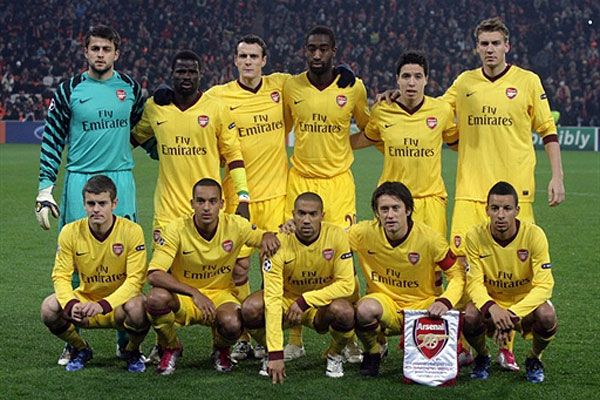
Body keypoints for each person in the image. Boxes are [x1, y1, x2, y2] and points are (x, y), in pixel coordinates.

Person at [442, 16, 565, 370]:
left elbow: (548, 130)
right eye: (484, 44)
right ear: (476, 48)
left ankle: (506, 346)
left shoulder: (527, 81)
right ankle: (464, 345)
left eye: (496, 43)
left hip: (516, 196)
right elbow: (434, 113)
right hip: (471, 192)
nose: (490, 49)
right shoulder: (464, 83)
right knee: (463, 269)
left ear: (507, 46)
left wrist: (557, 176)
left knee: (514, 271)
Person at [34, 24, 145, 365]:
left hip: (120, 179)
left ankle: (125, 340)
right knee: (74, 261)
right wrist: (45, 186)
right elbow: (53, 137)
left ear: (116, 53)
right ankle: (74, 342)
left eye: (106, 49)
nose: (100, 54)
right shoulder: (69, 89)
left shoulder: (131, 88)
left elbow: (145, 130)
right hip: (80, 180)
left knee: (124, 260)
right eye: (94, 48)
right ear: (85, 52)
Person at [282, 25, 369, 361]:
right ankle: (295, 339)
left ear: (334, 51)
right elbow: (281, 129)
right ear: (305, 51)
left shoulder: (353, 87)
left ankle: (348, 338)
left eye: (323, 49)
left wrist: (341, 146)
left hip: (338, 184)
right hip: (300, 180)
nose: (317, 54)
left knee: (344, 257)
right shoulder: (291, 86)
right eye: (311, 49)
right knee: (293, 255)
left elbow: (370, 130)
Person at [203, 35, 289, 360]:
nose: (248, 61)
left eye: (254, 56)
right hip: (238, 200)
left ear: (264, 60)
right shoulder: (217, 96)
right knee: (237, 272)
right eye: (243, 56)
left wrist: (345, 75)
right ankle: (240, 337)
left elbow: (314, 83)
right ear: (236, 60)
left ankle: (269, 337)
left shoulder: (280, 87)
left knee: (273, 273)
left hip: (277, 197)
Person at [144, 178, 279, 375]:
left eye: (212, 201)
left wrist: (269, 236)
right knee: (156, 298)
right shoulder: (175, 229)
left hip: (220, 295)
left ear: (222, 204)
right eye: (200, 201)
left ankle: (221, 349)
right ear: (192, 204)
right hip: (186, 297)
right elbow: (154, 274)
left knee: (232, 323)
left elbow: (264, 237)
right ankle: (171, 346)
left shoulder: (235, 225)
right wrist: (194, 293)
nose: (206, 207)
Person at [132, 50, 250, 244]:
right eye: (181, 71)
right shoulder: (155, 107)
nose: (186, 76)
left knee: (208, 263)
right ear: (172, 74)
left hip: (207, 210)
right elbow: (135, 137)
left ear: (200, 74)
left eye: (192, 72)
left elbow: (233, 155)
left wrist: (243, 197)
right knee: (162, 263)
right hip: (167, 213)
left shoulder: (216, 109)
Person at [349, 182, 464, 376]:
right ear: (376, 213)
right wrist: (296, 230)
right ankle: (373, 352)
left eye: (396, 208)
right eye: (384, 209)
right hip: (386, 305)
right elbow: (332, 239)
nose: (390, 215)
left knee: (458, 313)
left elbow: (457, 274)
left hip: (423, 307)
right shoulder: (363, 233)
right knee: (363, 310)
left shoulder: (430, 239)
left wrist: (445, 301)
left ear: (408, 210)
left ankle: (464, 353)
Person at [241, 192, 356, 383]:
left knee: (344, 311)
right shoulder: (278, 243)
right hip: (287, 302)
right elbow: (272, 298)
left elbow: (347, 284)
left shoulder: (336, 236)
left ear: (322, 216)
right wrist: (276, 352)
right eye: (301, 214)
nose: (307, 220)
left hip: (320, 305)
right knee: (250, 308)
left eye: (313, 214)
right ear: (293, 214)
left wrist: (305, 301)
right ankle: (269, 352)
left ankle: (334, 354)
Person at [40, 175, 149, 372]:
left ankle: (131, 350)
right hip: (85, 304)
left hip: (119, 306)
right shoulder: (69, 232)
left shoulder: (132, 231)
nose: (96, 209)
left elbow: (135, 281)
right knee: (49, 308)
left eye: (102, 203)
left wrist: (103, 305)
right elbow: (61, 275)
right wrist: (71, 304)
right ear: (84, 204)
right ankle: (80, 348)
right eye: (91, 204)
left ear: (114, 203)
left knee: (139, 307)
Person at [463, 181, 557, 383]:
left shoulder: (534, 235)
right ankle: (482, 355)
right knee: (469, 316)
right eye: (495, 208)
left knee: (547, 316)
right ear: (487, 210)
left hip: (523, 304)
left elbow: (544, 285)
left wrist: (513, 314)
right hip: (493, 302)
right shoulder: (474, 236)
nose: (500, 215)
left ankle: (534, 358)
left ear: (517, 210)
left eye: (507, 208)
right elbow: (474, 283)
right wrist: (493, 308)